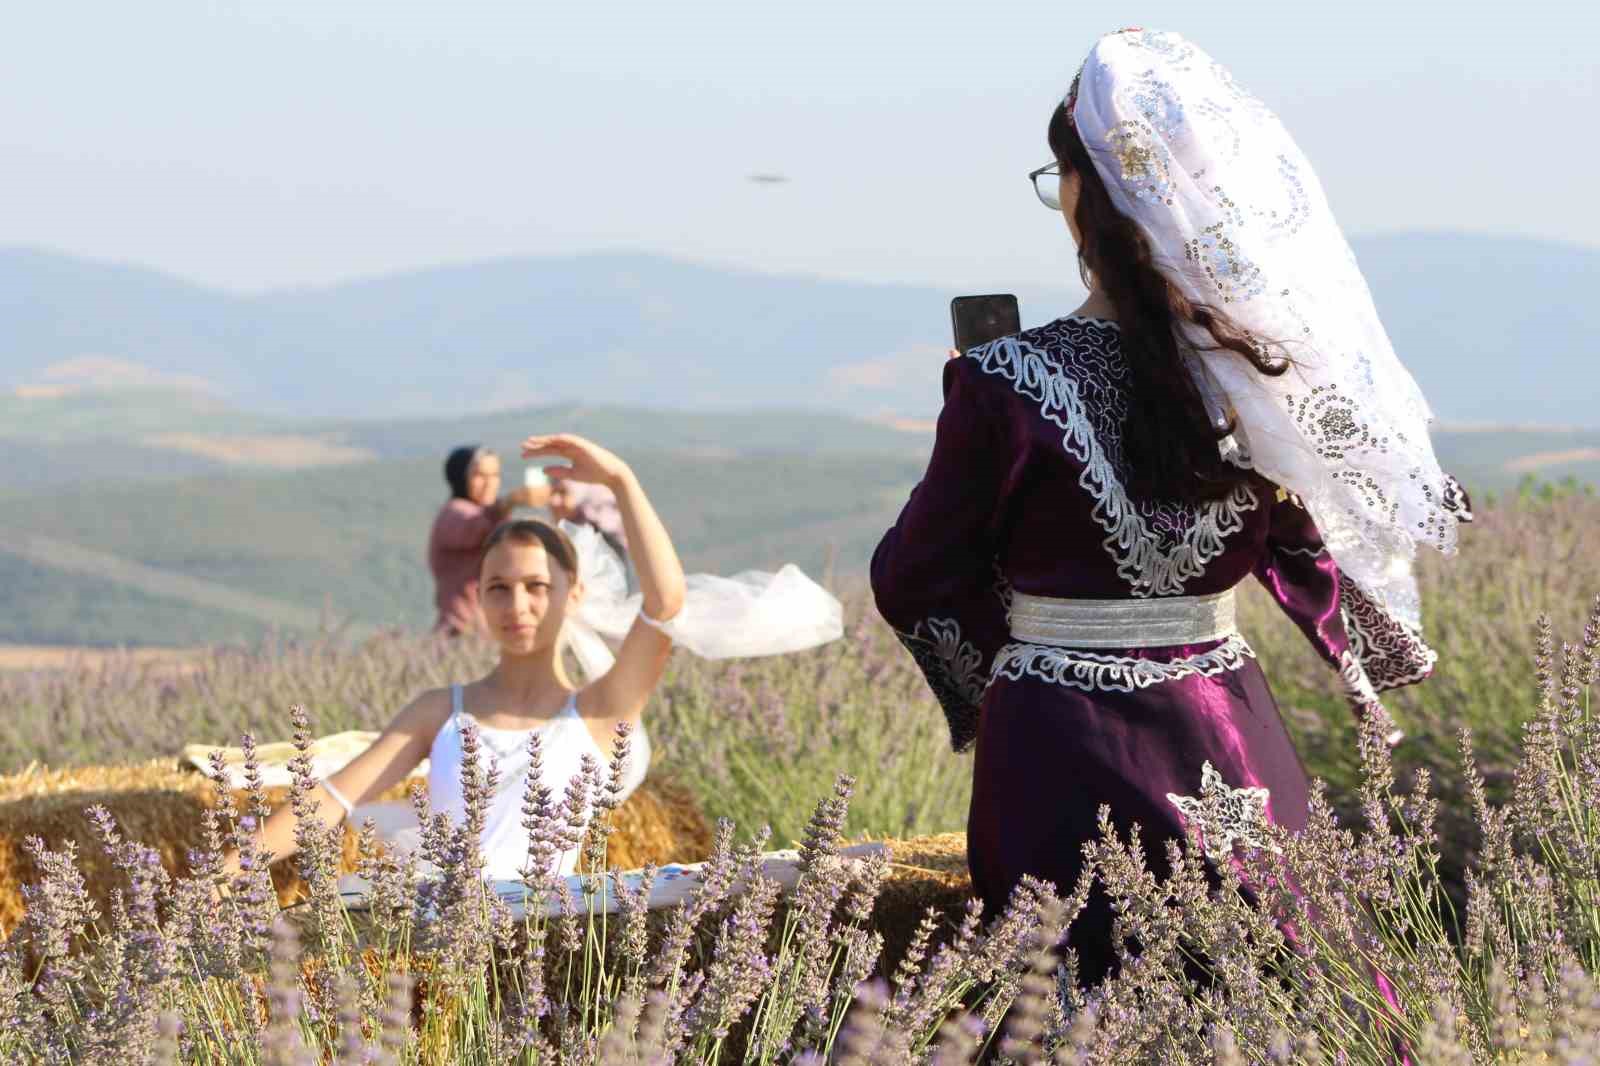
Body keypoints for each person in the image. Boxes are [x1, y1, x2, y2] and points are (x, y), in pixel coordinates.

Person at [870, 29, 1470, 985]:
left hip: (1058, 744)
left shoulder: (1002, 382)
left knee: (1075, 1003)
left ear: (1083, 193)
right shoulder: (1260, 383)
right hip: (1226, 726)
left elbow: (913, 576)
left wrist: (996, 666)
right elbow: (1305, 547)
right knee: (1279, 982)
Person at [227, 433, 842, 882]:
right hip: (440, 954)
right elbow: (331, 797)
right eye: (498, 587)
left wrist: (622, 480)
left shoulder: (600, 713)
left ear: (571, 595)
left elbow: (666, 603)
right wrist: (224, 875)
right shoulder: (440, 711)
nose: (516, 604)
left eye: (536, 587)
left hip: (545, 954)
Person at [428, 444, 549, 636]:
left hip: (490, 626)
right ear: (461, 477)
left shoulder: (490, 516)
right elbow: (474, 529)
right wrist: (509, 502)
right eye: (479, 476)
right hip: (461, 626)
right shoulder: (453, 513)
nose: (489, 483)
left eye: (494, 475)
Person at [549, 479, 629, 561]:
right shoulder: (553, 533)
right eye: (552, 492)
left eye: (563, 493)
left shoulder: (601, 538)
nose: (554, 501)